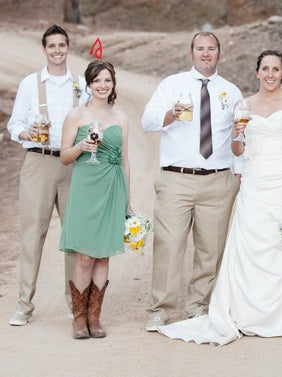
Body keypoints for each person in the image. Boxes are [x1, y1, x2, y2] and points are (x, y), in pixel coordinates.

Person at [158, 50, 282, 345]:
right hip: (255, 179)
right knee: (251, 243)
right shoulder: (244, 104)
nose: (270, 74)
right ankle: (249, 313)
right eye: (265, 69)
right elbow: (238, 151)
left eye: (276, 69)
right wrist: (237, 134)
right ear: (257, 72)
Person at [141, 32, 242, 331]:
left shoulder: (231, 91)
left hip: (218, 181)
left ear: (219, 53)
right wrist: (171, 115)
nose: (206, 54)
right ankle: (160, 309)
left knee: (210, 250)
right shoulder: (172, 84)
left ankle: (198, 306)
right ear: (191, 52)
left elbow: (239, 134)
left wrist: (238, 173)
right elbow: (147, 121)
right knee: (168, 246)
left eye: (211, 49)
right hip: (176, 179)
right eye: (201, 49)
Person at [7, 25, 88, 326]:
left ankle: (73, 302)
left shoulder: (81, 85)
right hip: (38, 163)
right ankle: (24, 304)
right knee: (32, 234)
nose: (57, 51)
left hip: (72, 164)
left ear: (68, 48)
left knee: (73, 236)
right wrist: (26, 132)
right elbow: (13, 124)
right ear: (44, 50)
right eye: (51, 46)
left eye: (62, 45)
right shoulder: (30, 84)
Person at [60, 60, 131, 339]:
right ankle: (78, 319)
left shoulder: (122, 118)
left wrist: (127, 200)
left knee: (103, 256)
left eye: (107, 81)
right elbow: (64, 156)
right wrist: (80, 146)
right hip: (85, 187)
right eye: (97, 81)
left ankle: (94, 317)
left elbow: (125, 161)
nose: (103, 85)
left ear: (113, 84)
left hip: (112, 187)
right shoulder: (76, 115)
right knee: (85, 256)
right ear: (89, 84)